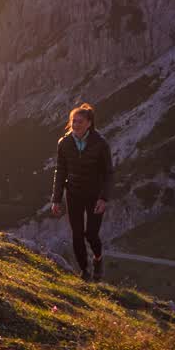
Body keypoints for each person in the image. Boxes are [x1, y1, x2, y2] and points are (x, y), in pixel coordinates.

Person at [50, 102, 113, 281]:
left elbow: (108, 173)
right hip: (74, 193)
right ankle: (84, 272)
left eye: (79, 121)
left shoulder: (100, 143)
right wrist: (56, 199)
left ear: (89, 123)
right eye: (73, 121)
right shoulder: (64, 143)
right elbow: (60, 170)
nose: (75, 124)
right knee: (77, 234)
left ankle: (98, 259)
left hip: (95, 194)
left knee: (91, 234)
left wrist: (104, 198)